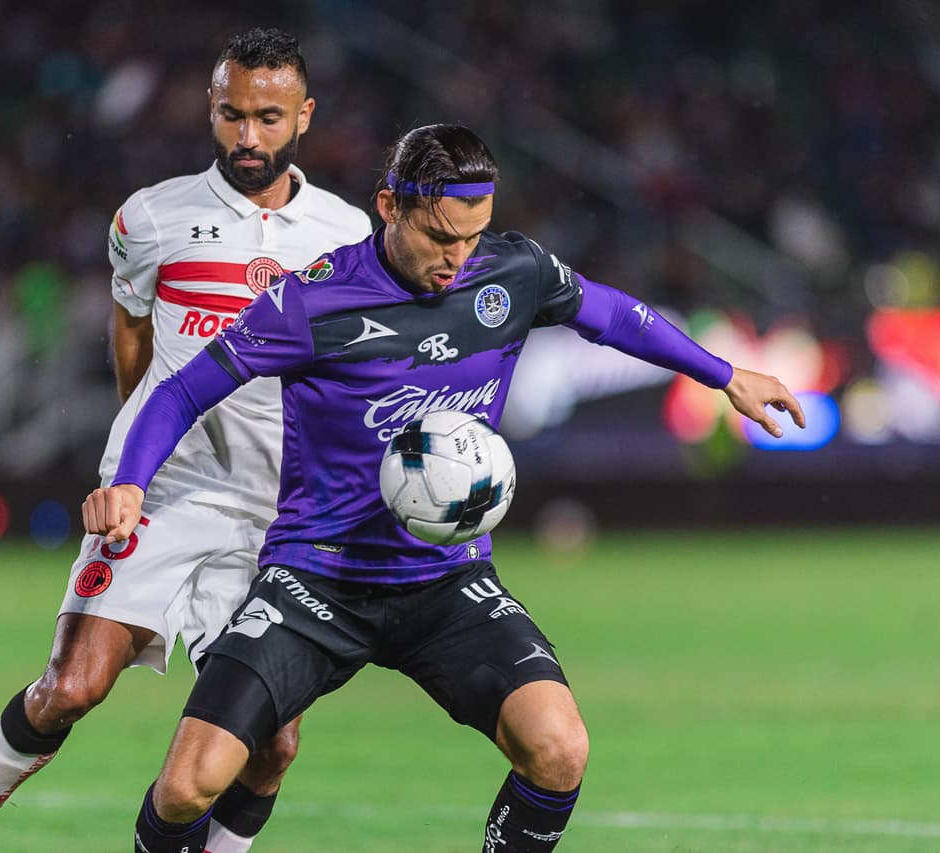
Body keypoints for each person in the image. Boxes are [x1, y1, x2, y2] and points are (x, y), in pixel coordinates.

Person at [85, 123, 805, 853]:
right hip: (315, 580)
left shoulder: (510, 273)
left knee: (559, 747)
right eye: (438, 236)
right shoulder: (312, 303)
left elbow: (612, 314)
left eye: (472, 236)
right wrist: (130, 484)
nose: (457, 260)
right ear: (389, 204)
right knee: (186, 788)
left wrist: (725, 373)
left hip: (445, 581)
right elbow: (179, 392)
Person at [0, 28, 372, 853]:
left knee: (273, 742)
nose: (248, 137)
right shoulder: (152, 216)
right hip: (161, 496)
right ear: (210, 108)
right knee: (71, 686)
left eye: (268, 117)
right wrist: (138, 450)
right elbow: (132, 330)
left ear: (305, 115)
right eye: (231, 115)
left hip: (276, 517)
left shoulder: (345, 235)